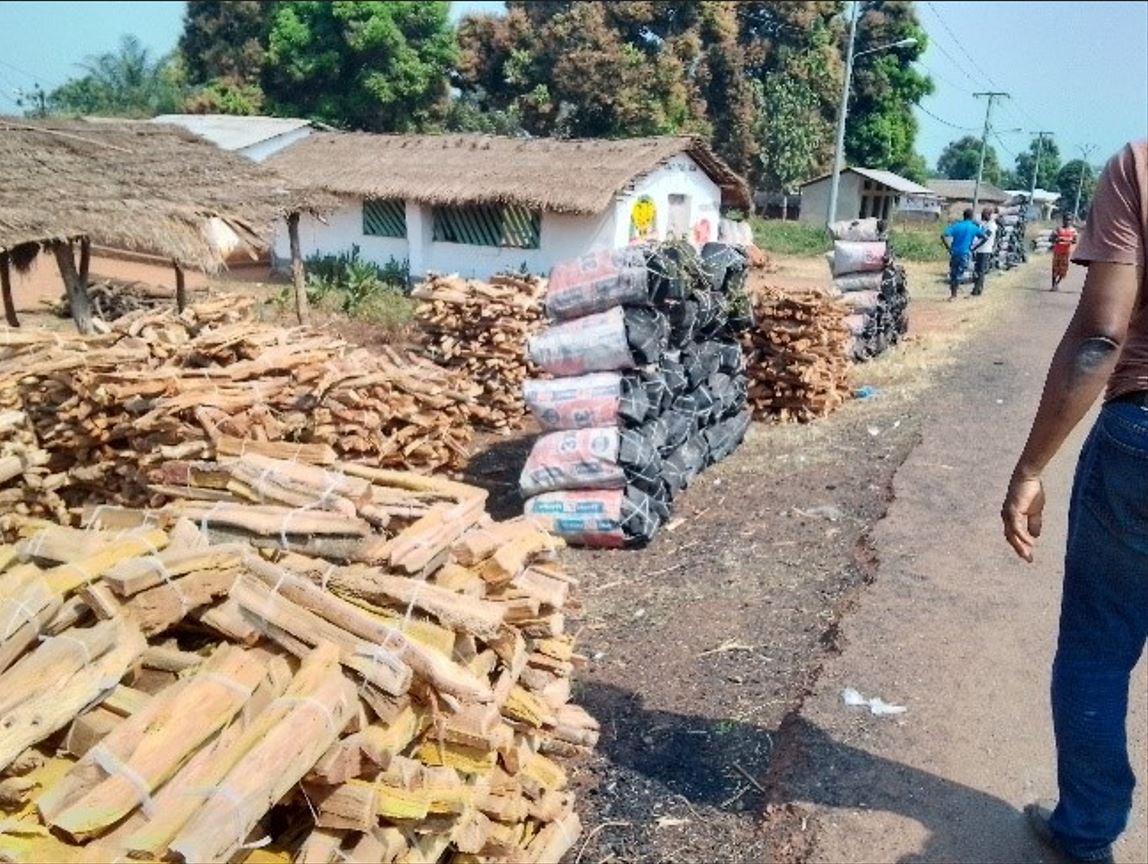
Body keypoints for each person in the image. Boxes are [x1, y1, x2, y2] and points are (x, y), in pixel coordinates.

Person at [1001, 140, 1147, 864]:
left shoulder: (1140, 167)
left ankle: (1088, 833)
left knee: (1098, 649)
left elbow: (1101, 334)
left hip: (1141, 440)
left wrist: (1031, 466)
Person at [941, 207, 990, 300]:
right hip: (965, 253)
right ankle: (956, 293)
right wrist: (974, 247)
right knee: (960, 274)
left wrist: (948, 248)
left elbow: (943, 235)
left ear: (963, 216)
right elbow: (985, 237)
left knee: (954, 273)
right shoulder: (973, 227)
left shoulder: (957, 226)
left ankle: (953, 294)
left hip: (954, 253)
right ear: (971, 217)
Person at [1051, 212, 1080, 291]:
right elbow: (1051, 238)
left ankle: (1057, 283)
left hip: (1066, 252)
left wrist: (1067, 240)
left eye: (1069, 220)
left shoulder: (1073, 230)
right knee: (1055, 268)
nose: (1067, 221)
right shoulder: (1058, 229)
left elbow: (1075, 241)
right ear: (1063, 220)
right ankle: (1053, 284)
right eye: (1065, 219)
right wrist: (1057, 239)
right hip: (1057, 251)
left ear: (1071, 221)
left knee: (1063, 269)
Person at [973, 207, 998, 296]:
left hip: (985, 250)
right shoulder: (985, 224)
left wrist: (974, 247)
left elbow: (985, 239)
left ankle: (977, 290)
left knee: (981, 271)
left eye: (986, 214)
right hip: (980, 250)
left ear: (990, 215)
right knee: (977, 270)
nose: (983, 216)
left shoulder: (992, 226)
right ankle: (977, 288)